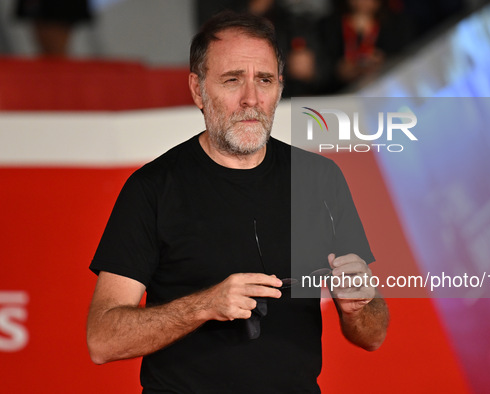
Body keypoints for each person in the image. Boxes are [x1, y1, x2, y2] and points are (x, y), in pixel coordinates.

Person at [86, 11, 389, 393]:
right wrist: (205, 305)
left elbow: (373, 335)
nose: (251, 99)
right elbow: (102, 339)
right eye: (232, 80)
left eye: (264, 80)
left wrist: (358, 305)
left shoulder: (320, 179)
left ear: (279, 87)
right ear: (198, 90)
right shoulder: (152, 188)